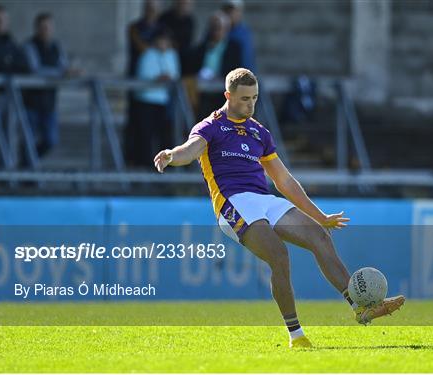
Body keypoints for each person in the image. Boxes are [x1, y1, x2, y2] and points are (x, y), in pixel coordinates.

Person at [154, 68, 405, 348]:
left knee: (319, 236)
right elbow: (189, 150)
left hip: (263, 200)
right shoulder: (210, 127)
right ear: (228, 96)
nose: (250, 105)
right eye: (244, 99)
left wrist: (319, 216)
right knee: (279, 255)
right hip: (233, 203)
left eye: (254, 98)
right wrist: (171, 155)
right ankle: (296, 335)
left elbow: (284, 181)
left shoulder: (258, 132)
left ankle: (360, 307)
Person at [22, 12, 70, 164]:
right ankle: (28, 173)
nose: (46, 30)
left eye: (48, 27)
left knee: (51, 140)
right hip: (31, 102)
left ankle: (28, 165)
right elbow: (34, 69)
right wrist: (60, 73)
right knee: (29, 140)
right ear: (36, 28)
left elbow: (64, 66)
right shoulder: (29, 46)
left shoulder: (56, 46)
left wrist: (68, 72)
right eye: (42, 27)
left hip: (49, 102)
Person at [125, 0, 164, 166]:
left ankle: (153, 163)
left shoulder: (163, 29)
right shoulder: (135, 28)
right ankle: (135, 160)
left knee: (156, 129)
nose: (151, 12)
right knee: (137, 125)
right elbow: (141, 47)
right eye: (149, 9)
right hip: (138, 84)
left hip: (158, 91)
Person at [134, 28, 180, 167]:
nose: (163, 43)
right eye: (161, 40)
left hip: (164, 101)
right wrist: (157, 79)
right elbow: (143, 76)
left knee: (163, 136)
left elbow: (175, 74)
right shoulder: (147, 54)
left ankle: (164, 166)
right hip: (147, 100)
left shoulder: (172, 55)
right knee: (146, 136)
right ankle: (145, 166)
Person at [221, 0, 256, 72]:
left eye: (233, 11)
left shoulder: (244, 33)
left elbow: (247, 60)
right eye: (227, 11)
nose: (230, 14)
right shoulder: (216, 30)